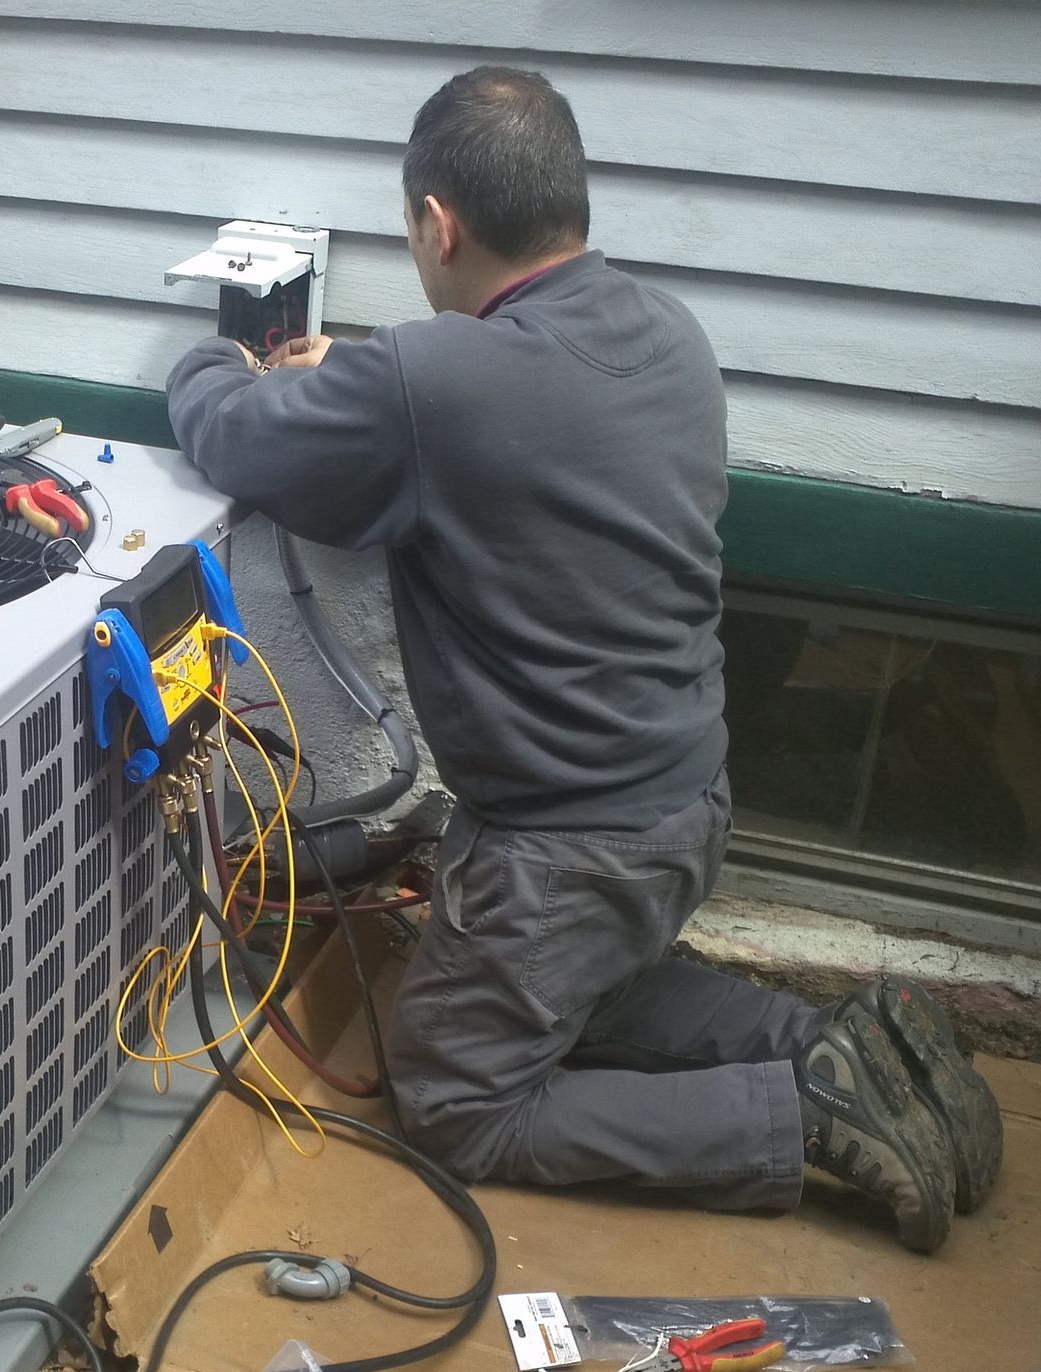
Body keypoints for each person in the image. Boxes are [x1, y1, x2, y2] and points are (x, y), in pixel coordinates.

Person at [165, 66, 1001, 1252]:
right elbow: (490, 408)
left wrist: (218, 364)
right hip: (687, 805)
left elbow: (237, 436)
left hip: (568, 853)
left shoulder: (431, 380)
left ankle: (796, 1115)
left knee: (458, 1098)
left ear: (438, 224)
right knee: (577, 990)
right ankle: (835, 1046)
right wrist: (368, 379)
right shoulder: (668, 333)